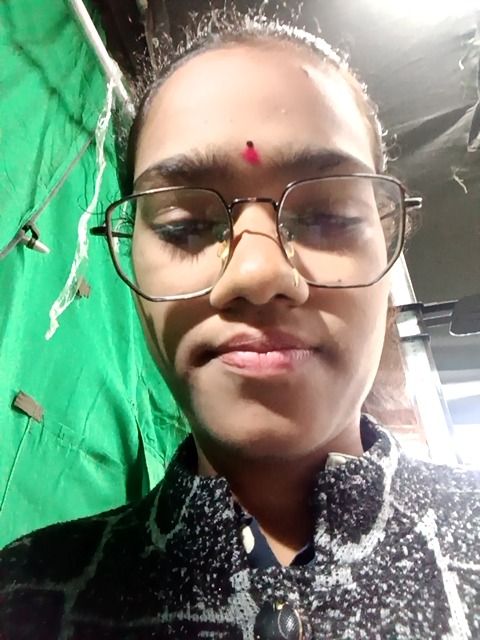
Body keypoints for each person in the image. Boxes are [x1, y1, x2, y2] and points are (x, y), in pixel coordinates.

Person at [1, 12, 479, 640]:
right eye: (185, 226)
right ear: (129, 254)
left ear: (388, 238)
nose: (256, 273)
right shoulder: (26, 595)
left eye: (327, 217)